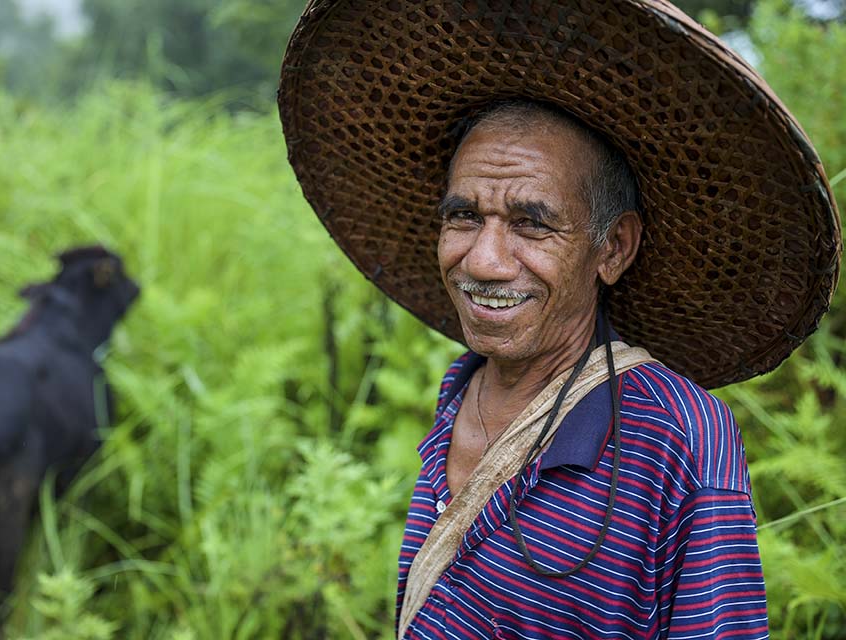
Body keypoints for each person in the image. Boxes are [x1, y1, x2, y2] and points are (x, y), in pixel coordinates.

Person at [278, 1, 841, 638]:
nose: (484, 261)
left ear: (613, 249)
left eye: (532, 223)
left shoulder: (677, 435)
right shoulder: (461, 388)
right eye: (464, 216)